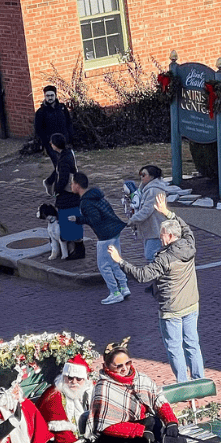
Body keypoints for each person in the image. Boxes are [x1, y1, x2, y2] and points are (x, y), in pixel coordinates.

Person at [109, 192, 204, 383]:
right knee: (192, 344)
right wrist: (167, 213)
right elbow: (185, 228)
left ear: (170, 236)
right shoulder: (189, 245)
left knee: (175, 347)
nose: (159, 238)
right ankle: (199, 379)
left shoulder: (164, 259)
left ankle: (183, 384)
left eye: (162, 235)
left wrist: (120, 261)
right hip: (192, 304)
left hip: (172, 309)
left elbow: (142, 276)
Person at [69, 171, 130, 303]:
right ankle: (124, 287)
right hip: (115, 230)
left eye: (72, 183)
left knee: (103, 265)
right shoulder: (96, 196)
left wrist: (78, 219)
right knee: (115, 262)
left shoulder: (85, 202)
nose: (71, 185)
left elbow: (94, 219)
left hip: (105, 235)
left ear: (78, 185)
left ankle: (115, 292)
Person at [37, 354, 93, 443]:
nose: (73, 382)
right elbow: (60, 435)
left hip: (84, 441)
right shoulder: (54, 396)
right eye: (69, 378)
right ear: (64, 377)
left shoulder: (89, 393)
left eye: (78, 379)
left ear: (85, 380)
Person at [127, 164, 173, 292]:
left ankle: (162, 282)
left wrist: (133, 220)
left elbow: (147, 210)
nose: (141, 177)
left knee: (151, 255)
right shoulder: (147, 188)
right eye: (141, 175)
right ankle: (157, 283)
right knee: (152, 255)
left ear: (152, 176)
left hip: (156, 228)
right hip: (151, 227)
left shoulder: (154, 190)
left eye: (144, 175)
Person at [45, 132, 85, 260]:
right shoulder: (67, 154)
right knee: (71, 221)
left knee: (69, 222)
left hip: (67, 197)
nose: (50, 144)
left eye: (52, 142)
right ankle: (74, 249)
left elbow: (62, 178)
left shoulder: (63, 160)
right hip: (72, 195)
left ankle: (76, 251)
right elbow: (57, 172)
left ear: (55, 145)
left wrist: (56, 191)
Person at [34, 85, 73, 167]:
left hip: (64, 141)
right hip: (51, 144)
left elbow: (68, 123)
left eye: (52, 95)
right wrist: (45, 144)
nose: (50, 98)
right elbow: (39, 130)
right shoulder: (41, 112)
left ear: (55, 95)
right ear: (44, 96)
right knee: (58, 164)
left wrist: (70, 138)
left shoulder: (62, 108)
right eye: (47, 96)